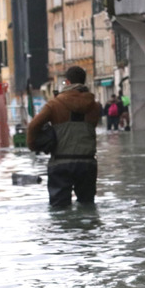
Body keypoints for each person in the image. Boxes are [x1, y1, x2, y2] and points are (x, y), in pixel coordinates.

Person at [27, 66, 102, 208]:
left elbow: (33, 126)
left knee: (59, 209)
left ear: (67, 82)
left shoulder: (54, 104)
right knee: (87, 206)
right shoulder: (95, 106)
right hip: (87, 162)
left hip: (61, 162)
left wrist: (33, 145)